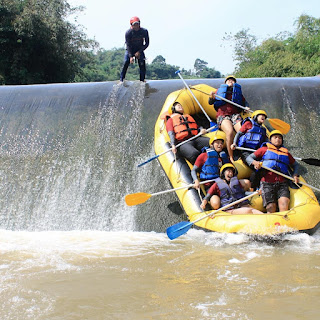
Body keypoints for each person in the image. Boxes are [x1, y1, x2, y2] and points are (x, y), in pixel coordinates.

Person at [246, 130, 300, 213]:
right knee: (271, 207)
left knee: (284, 205)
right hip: (267, 183)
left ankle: (283, 223)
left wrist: (295, 175)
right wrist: (255, 162)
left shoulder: (286, 153)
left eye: (279, 138)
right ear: (270, 140)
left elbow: (296, 165)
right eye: (275, 137)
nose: (277, 139)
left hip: (282, 183)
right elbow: (249, 158)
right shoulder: (264, 149)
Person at [208, 75, 250, 161]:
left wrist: (246, 107)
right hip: (223, 115)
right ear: (225, 83)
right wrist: (211, 97)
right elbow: (210, 102)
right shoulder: (219, 91)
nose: (231, 81)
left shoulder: (238, 93)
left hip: (235, 115)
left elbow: (245, 103)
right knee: (230, 131)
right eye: (229, 80)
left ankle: (244, 153)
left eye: (232, 81)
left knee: (242, 131)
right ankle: (231, 156)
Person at [231, 110, 268, 189]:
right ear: (255, 116)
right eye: (261, 115)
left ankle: (260, 186)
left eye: (264, 117)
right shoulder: (249, 124)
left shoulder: (263, 130)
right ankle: (252, 187)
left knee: (262, 168)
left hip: (255, 151)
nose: (263, 117)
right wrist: (234, 143)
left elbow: (265, 141)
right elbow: (239, 133)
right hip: (245, 150)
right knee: (256, 168)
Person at [120, 16, 149, 82]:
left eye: (137, 24)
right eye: (134, 25)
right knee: (126, 62)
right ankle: (121, 79)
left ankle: (142, 80)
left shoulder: (144, 31)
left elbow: (147, 43)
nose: (136, 26)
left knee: (142, 63)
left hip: (139, 49)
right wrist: (131, 56)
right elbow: (128, 45)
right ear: (131, 25)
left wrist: (139, 51)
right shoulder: (128, 33)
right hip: (130, 49)